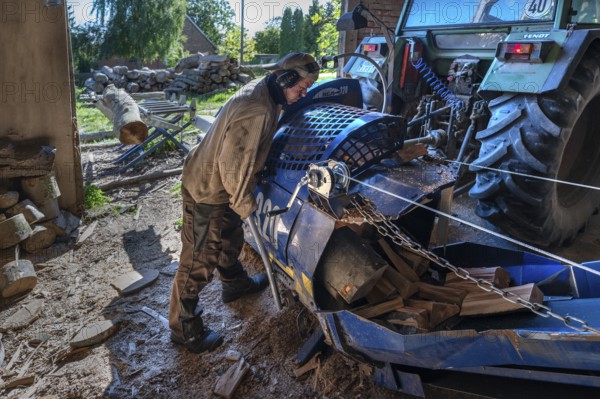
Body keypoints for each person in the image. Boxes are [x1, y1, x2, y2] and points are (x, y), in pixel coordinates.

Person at [169, 52, 320, 353]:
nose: (304, 94)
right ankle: (184, 328)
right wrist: (245, 203)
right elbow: (232, 166)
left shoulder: (267, 93)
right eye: (302, 87)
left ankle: (235, 284)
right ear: (285, 78)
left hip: (217, 181)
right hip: (208, 188)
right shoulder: (257, 109)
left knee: (229, 234)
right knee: (200, 257)